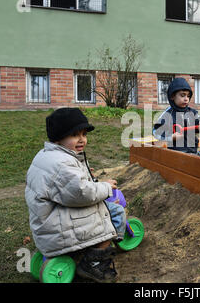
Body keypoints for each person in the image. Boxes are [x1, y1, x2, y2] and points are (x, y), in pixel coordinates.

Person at [25, 107, 126, 283]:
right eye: (74, 135)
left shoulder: (48, 155)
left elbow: (66, 186)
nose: (82, 140)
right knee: (107, 218)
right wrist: (105, 187)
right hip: (57, 226)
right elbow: (82, 193)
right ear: (58, 137)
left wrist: (85, 174)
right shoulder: (61, 164)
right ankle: (93, 264)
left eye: (84, 134)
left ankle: (79, 252)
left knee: (101, 212)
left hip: (47, 222)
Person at [153, 77, 200, 154]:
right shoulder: (167, 115)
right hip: (176, 154)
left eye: (188, 96)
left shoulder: (192, 112)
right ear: (172, 96)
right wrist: (171, 137)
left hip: (193, 150)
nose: (186, 99)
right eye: (182, 95)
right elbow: (156, 132)